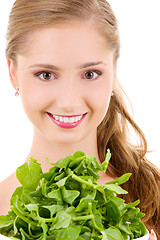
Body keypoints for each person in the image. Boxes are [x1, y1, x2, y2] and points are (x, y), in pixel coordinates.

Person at [0, 0, 159, 239]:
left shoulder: (151, 198)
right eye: (46, 74)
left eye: (90, 74)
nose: (69, 101)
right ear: (13, 74)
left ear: (114, 73)